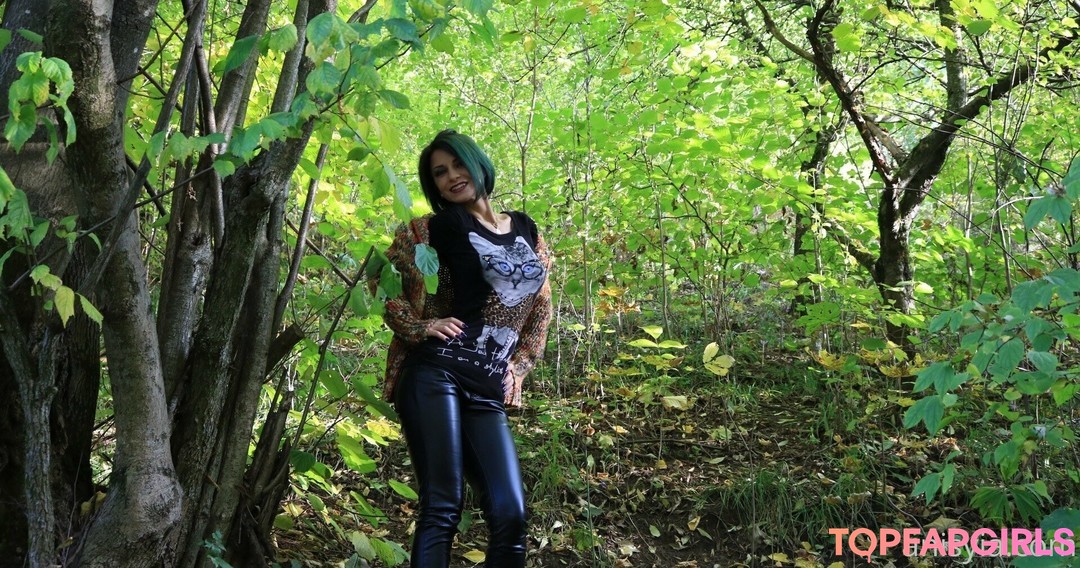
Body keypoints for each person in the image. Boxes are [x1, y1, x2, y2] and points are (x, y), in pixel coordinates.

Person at [374, 129, 553, 567]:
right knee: (443, 505)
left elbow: (542, 304)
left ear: (478, 164)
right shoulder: (435, 229)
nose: (452, 176)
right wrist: (420, 326)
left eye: (458, 164)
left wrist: (520, 366)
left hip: (487, 385)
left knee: (510, 514)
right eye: (440, 173)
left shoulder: (526, 228)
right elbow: (383, 280)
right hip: (437, 373)